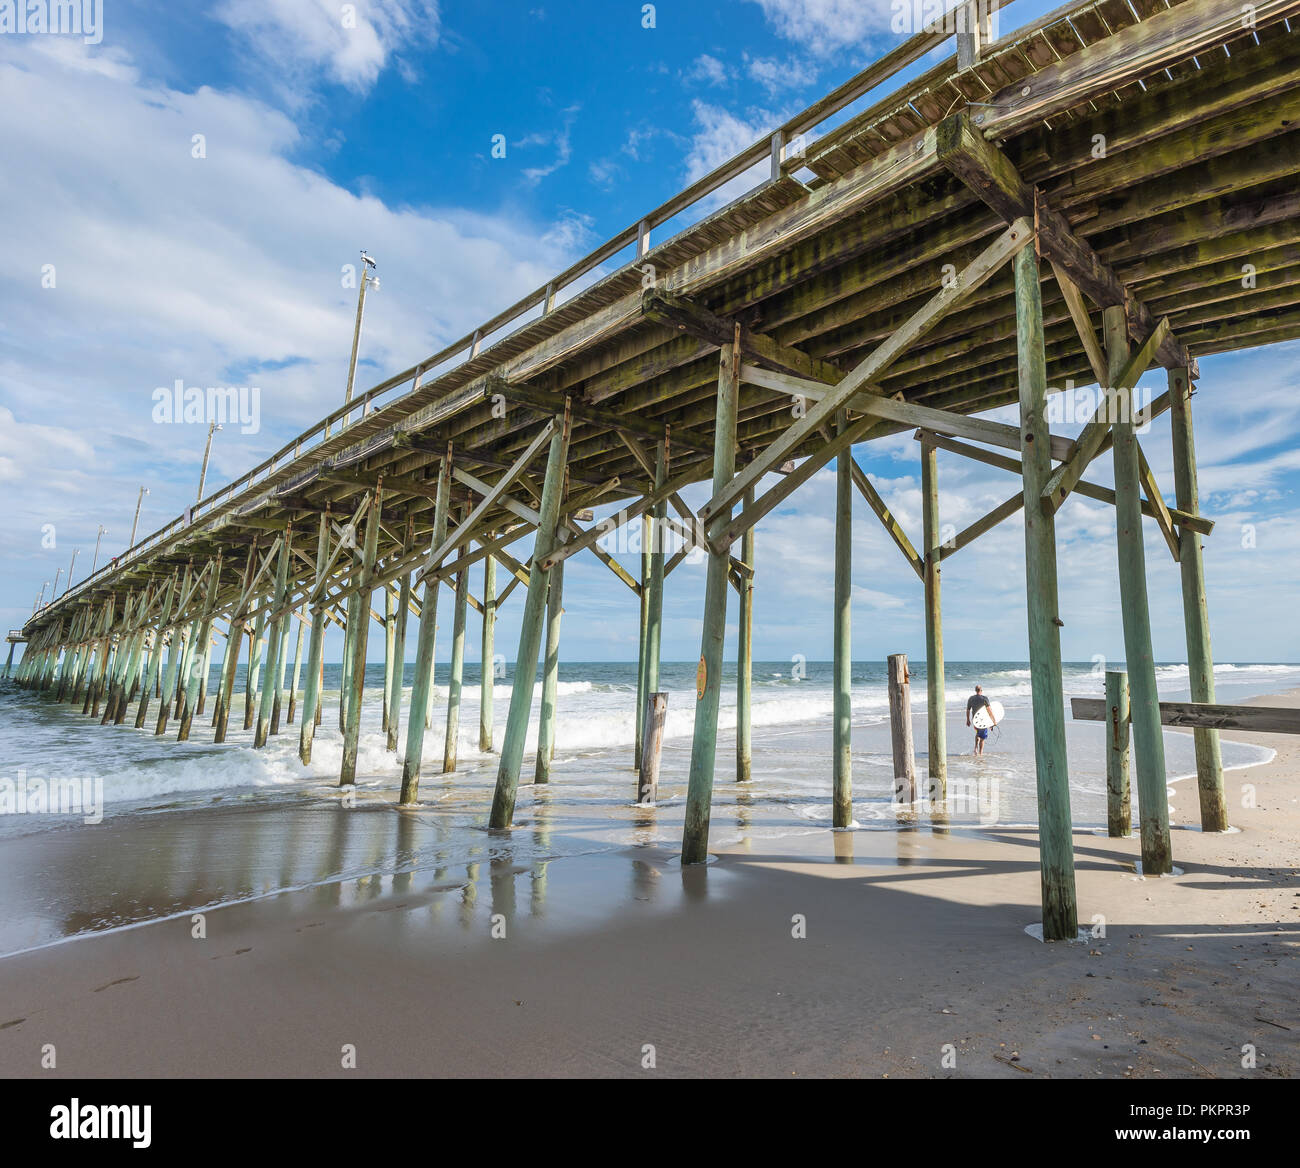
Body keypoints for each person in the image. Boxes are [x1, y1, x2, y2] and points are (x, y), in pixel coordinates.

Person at [966, 685, 995, 756]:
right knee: (982, 738)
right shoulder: (984, 699)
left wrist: (968, 720)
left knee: (978, 733)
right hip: (983, 721)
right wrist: (993, 721)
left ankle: (975, 748)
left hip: (975, 720)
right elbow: (989, 711)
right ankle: (980, 753)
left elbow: (968, 710)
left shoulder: (971, 698)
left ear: (975, 690)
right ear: (981, 690)